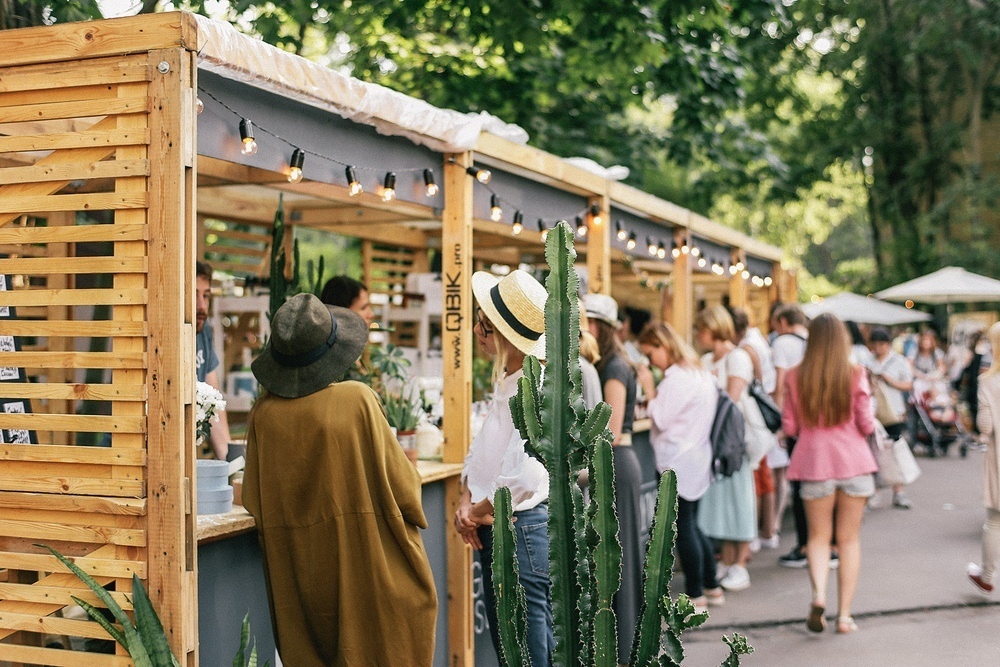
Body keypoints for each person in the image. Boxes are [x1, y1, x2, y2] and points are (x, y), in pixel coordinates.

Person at [244, 293, 436, 665]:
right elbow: (406, 490)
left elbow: (254, 501)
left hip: (301, 590)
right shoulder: (357, 401)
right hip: (370, 575)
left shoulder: (263, 416)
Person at [455, 269, 553, 667]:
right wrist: (467, 498)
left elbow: (531, 474)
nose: (477, 332)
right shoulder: (513, 381)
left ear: (503, 338)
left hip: (517, 528)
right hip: (502, 524)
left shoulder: (535, 387)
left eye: (483, 324)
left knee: (525, 652)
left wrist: (476, 512)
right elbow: (485, 451)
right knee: (523, 647)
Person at [781, 313, 878, 635]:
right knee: (849, 540)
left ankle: (819, 595)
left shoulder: (795, 376)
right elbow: (866, 424)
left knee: (817, 538)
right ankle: (845, 616)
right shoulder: (856, 373)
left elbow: (790, 426)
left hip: (814, 464)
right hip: (854, 462)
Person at [638, 321, 723, 614]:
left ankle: (696, 593)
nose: (650, 362)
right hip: (697, 456)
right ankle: (711, 585)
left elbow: (660, 418)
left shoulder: (677, 379)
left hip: (677, 459)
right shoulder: (700, 373)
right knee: (691, 524)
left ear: (663, 346)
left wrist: (649, 388)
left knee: (682, 527)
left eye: (651, 354)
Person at [584, 292, 644, 665]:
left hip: (616, 464)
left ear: (604, 328)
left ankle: (623, 646)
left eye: (591, 323)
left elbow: (612, 429)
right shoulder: (610, 364)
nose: (583, 329)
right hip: (618, 464)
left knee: (616, 555)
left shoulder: (614, 368)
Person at [694, 305, 757, 592]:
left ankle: (739, 563)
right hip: (712, 441)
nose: (697, 335)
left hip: (732, 440)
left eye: (701, 329)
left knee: (739, 500)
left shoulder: (738, 357)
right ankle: (728, 559)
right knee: (721, 503)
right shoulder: (706, 360)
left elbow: (732, 400)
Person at [732, 307, 779, 553]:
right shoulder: (755, 343)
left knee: (758, 481)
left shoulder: (744, 350)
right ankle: (767, 531)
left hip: (751, 424)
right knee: (764, 478)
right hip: (759, 423)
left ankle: (755, 534)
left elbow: (753, 384)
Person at [771, 304, 811, 568]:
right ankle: (821, 544)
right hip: (815, 422)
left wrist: (780, 423)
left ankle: (804, 545)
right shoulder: (815, 340)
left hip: (795, 422)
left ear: (783, 322)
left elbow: (780, 387)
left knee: (797, 483)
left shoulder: (782, 343)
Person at [968, 321, 1000, 594]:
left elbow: (986, 427)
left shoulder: (988, 381)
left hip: (998, 459)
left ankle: (987, 575)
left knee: (994, 521)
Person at [870, 326, 915, 509]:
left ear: (888, 344)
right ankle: (875, 491)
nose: (878, 347)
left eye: (882, 344)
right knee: (874, 451)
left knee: (894, 450)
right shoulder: (868, 360)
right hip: (873, 412)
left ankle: (898, 491)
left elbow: (908, 384)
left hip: (894, 412)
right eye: (875, 344)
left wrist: (890, 381)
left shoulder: (899, 361)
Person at [195, 261, 231, 461]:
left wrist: (230, 467)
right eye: (194, 294)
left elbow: (213, 404)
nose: (202, 306)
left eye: (206, 295)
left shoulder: (204, 330)